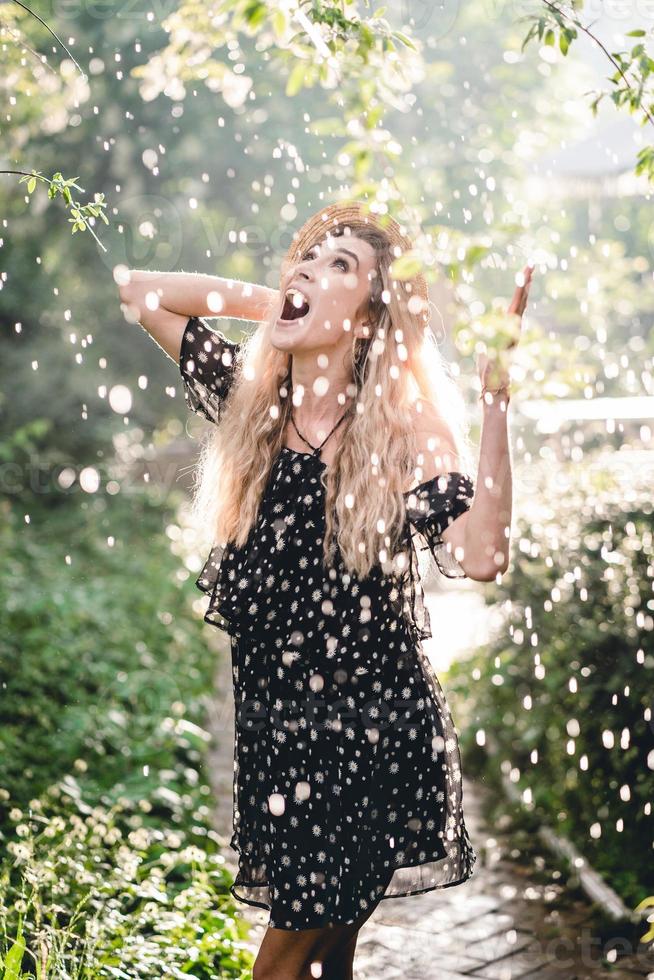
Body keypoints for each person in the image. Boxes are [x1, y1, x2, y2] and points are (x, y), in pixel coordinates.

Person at [117, 200, 533, 980]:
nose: (309, 269)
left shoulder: (401, 431)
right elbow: (138, 291)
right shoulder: (255, 405)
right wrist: (272, 303)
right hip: (279, 744)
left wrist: (495, 402)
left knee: (280, 969)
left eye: (340, 266)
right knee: (322, 967)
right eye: (306, 257)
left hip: (371, 741)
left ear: (371, 318)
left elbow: (480, 555)